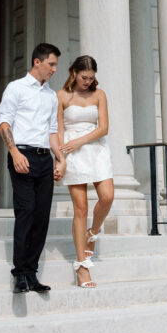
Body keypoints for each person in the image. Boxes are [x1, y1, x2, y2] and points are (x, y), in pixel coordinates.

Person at [0, 43, 66, 294]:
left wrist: (60, 159)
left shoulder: (51, 95)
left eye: (55, 65)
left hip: (44, 159)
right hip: (22, 154)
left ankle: (31, 273)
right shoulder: (15, 88)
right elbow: (4, 122)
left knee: (41, 217)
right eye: (51, 64)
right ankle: (19, 274)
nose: (54, 69)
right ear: (37, 62)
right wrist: (14, 152)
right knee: (26, 212)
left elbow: (52, 131)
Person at [57, 55, 114, 288]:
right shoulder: (61, 96)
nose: (87, 82)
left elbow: (103, 128)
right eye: (84, 77)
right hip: (72, 154)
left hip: (96, 150)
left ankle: (93, 231)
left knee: (107, 196)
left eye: (91, 78)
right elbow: (58, 131)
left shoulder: (99, 95)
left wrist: (80, 141)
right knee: (81, 208)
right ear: (73, 72)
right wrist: (60, 159)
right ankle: (82, 266)